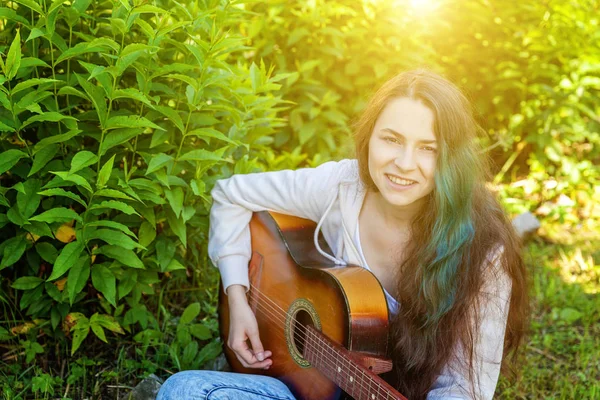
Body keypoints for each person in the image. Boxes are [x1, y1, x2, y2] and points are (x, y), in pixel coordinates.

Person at [156, 69, 529, 400]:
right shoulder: (342, 187)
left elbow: (466, 388)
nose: (403, 163)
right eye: (392, 139)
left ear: (452, 159)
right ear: (369, 137)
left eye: (428, 148)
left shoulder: (483, 251)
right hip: (296, 381)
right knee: (182, 390)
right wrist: (238, 299)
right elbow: (230, 194)